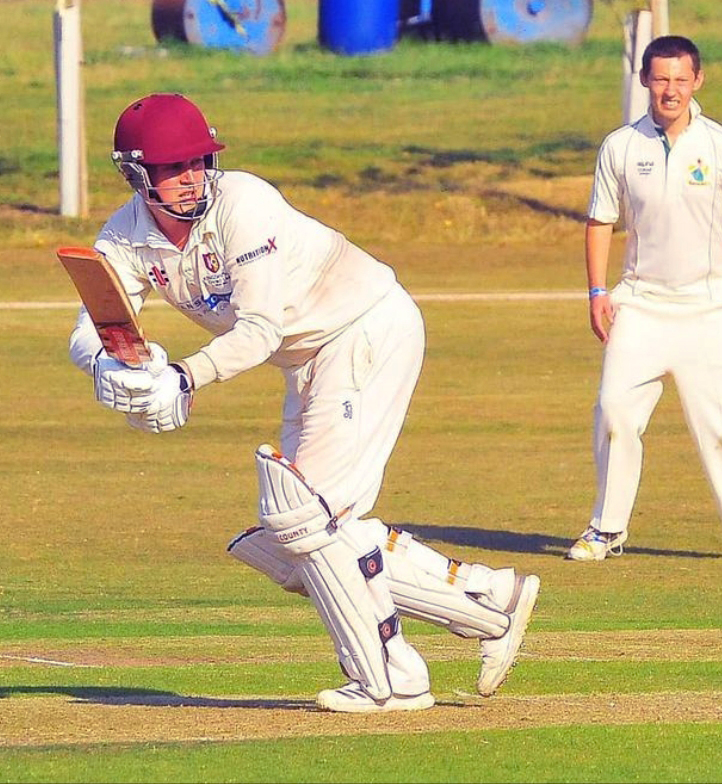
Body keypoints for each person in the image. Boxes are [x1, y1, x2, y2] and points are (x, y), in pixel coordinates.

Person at [69, 92, 541, 712]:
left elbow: (260, 329)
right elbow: (95, 322)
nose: (191, 179)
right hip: (309, 358)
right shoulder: (126, 236)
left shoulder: (245, 203)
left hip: (365, 328)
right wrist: (112, 364)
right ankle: (485, 600)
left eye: (198, 162)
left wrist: (183, 377)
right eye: (172, 169)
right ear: (136, 174)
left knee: (306, 519)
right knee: (296, 540)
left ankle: (392, 677)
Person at [568, 36, 722, 561]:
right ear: (645, 81)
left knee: (718, 427)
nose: (671, 90)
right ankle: (607, 528)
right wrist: (596, 291)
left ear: (697, 81)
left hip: (707, 308)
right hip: (639, 304)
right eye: (661, 79)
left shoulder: (717, 145)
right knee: (614, 409)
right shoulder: (621, 146)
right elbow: (600, 222)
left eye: (681, 79)